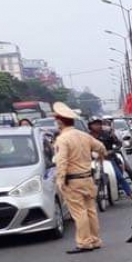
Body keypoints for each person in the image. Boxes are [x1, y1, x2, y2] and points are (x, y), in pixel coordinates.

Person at [52, 102, 105, 253]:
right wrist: (100, 158)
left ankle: (84, 242)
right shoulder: (84, 136)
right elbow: (101, 147)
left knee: (79, 212)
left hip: (72, 180)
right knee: (90, 210)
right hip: (87, 178)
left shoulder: (62, 139)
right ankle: (95, 239)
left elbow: (61, 161)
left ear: (60, 122)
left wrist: (60, 180)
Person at [87, 117, 132, 199]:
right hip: (93, 160)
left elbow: (118, 144)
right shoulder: (87, 137)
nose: (97, 126)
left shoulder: (108, 134)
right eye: (94, 124)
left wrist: (111, 151)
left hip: (108, 159)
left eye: (98, 124)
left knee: (119, 176)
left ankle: (131, 195)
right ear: (90, 126)